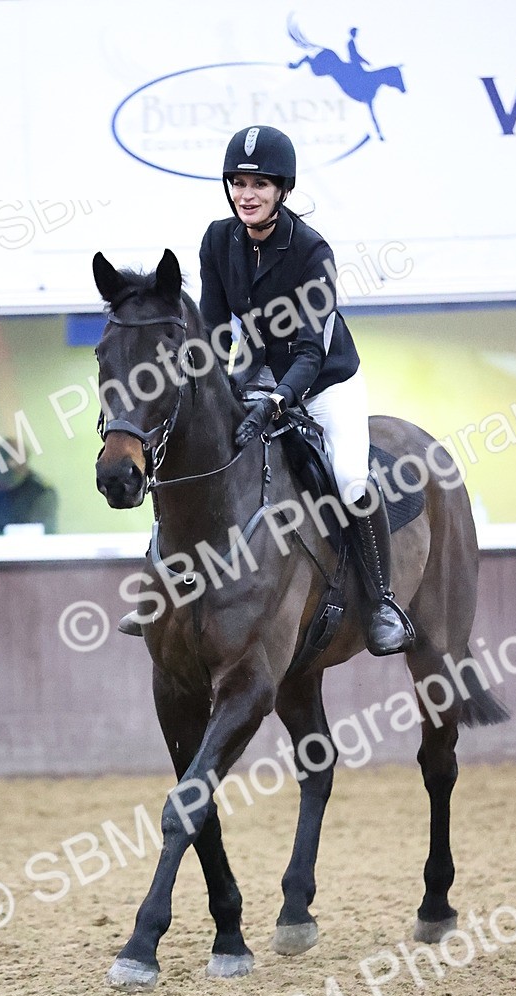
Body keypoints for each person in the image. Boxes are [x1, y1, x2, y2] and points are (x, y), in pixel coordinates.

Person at [120, 124, 412, 655]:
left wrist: (278, 401)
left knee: (349, 479)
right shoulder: (217, 239)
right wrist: (213, 390)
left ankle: (382, 601)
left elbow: (309, 351)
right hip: (253, 378)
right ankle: (160, 591)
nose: (245, 195)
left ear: (283, 189)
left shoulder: (311, 252)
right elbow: (216, 328)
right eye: (237, 182)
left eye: (259, 184)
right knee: (190, 452)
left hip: (324, 383)